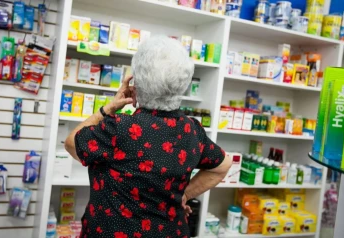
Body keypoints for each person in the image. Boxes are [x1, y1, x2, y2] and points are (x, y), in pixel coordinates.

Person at [65, 35, 232, 238]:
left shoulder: (120, 128)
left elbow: (72, 143)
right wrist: (186, 195)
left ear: (137, 83)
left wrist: (107, 109)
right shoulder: (192, 130)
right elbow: (222, 166)